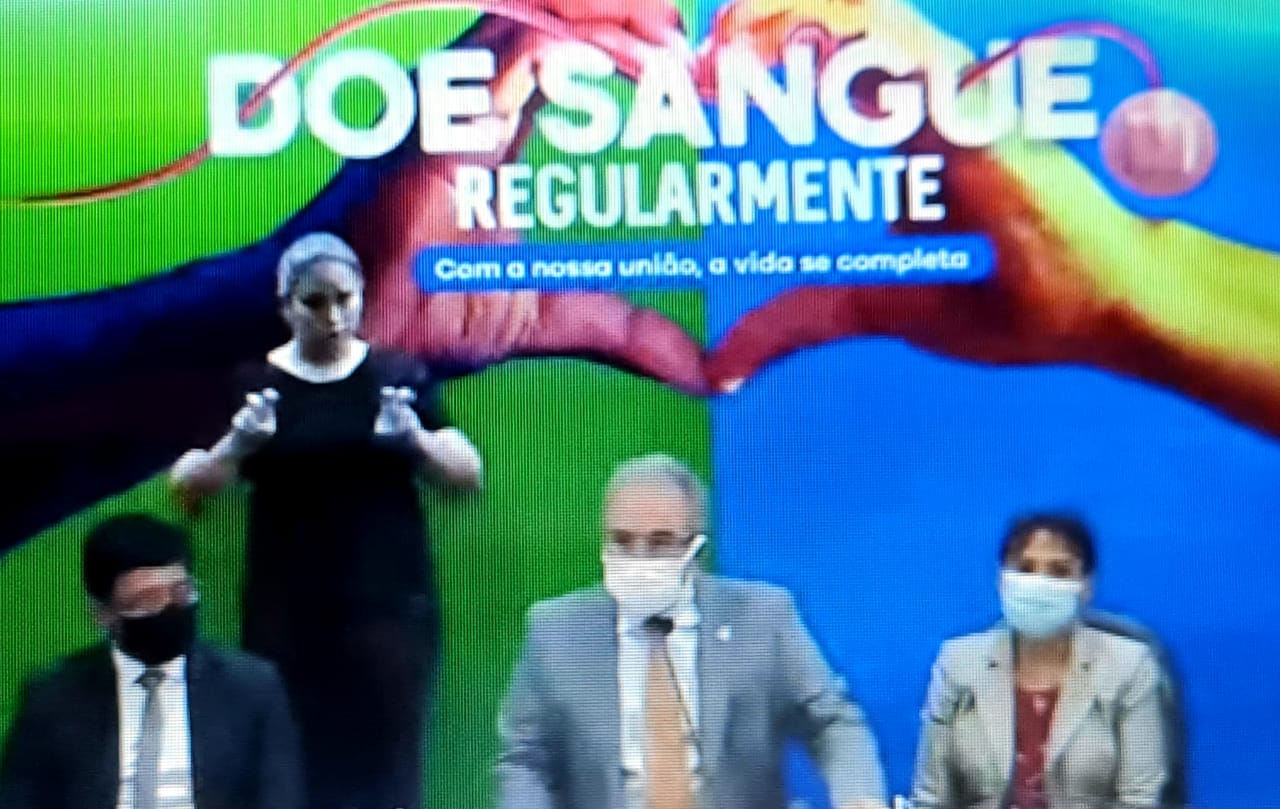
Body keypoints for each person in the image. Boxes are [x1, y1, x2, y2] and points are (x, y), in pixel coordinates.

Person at [168, 232, 484, 809]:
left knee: (390, 771)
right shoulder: (257, 387)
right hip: (286, 616)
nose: (332, 317)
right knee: (289, 769)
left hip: (388, 609)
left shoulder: (394, 375)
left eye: (344, 299)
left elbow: (467, 477)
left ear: (362, 296)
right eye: (314, 302)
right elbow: (188, 490)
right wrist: (237, 446)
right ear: (286, 306)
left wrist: (415, 440)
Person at [496, 453, 888, 809]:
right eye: (623, 542)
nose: (639, 558)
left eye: (660, 542)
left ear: (695, 549)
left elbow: (831, 721)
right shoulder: (556, 632)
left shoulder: (762, 618)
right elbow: (525, 759)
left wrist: (860, 798)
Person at [0, 514, 302, 809]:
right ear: (102, 614)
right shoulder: (55, 697)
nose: (167, 610)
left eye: (179, 593)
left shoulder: (250, 686)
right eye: (146, 600)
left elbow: (280, 795)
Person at [910, 514, 1168, 809]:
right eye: (1025, 568)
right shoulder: (958, 662)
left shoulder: (1129, 666)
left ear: (1086, 586)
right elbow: (930, 798)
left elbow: (1139, 800)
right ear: (1001, 580)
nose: (1039, 583)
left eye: (1059, 571)